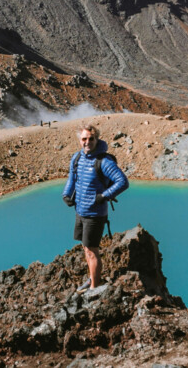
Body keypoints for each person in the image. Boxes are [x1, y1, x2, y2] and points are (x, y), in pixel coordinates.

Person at [62, 124, 128, 292]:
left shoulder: (104, 161)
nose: (87, 142)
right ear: (80, 140)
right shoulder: (77, 158)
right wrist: (66, 194)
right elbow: (72, 179)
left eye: (91, 139)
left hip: (95, 214)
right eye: (84, 139)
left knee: (92, 250)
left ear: (97, 140)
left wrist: (104, 196)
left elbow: (123, 182)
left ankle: (94, 288)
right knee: (86, 248)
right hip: (80, 211)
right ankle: (92, 278)